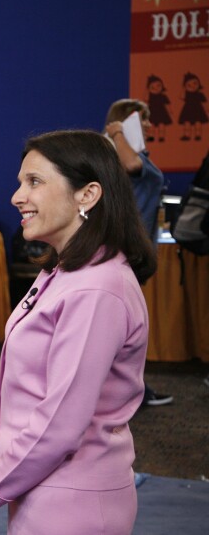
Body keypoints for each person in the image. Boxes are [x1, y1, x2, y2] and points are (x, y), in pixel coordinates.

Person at [0, 130, 156, 534]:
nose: (16, 197)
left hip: (71, 504)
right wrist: (0, 463)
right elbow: (36, 395)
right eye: (19, 182)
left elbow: (61, 420)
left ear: (87, 195)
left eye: (34, 182)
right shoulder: (65, 272)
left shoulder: (97, 288)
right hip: (46, 489)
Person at [104, 98, 173, 407]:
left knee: (125, 327)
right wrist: (118, 132)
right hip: (125, 251)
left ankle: (130, 390)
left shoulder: (135, 154)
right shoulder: (121, 155)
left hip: (135, 250)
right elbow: (131, 166)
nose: (148, 125)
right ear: (126, 121)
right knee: (122, 327)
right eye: (143, 120)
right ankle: (130, 392)